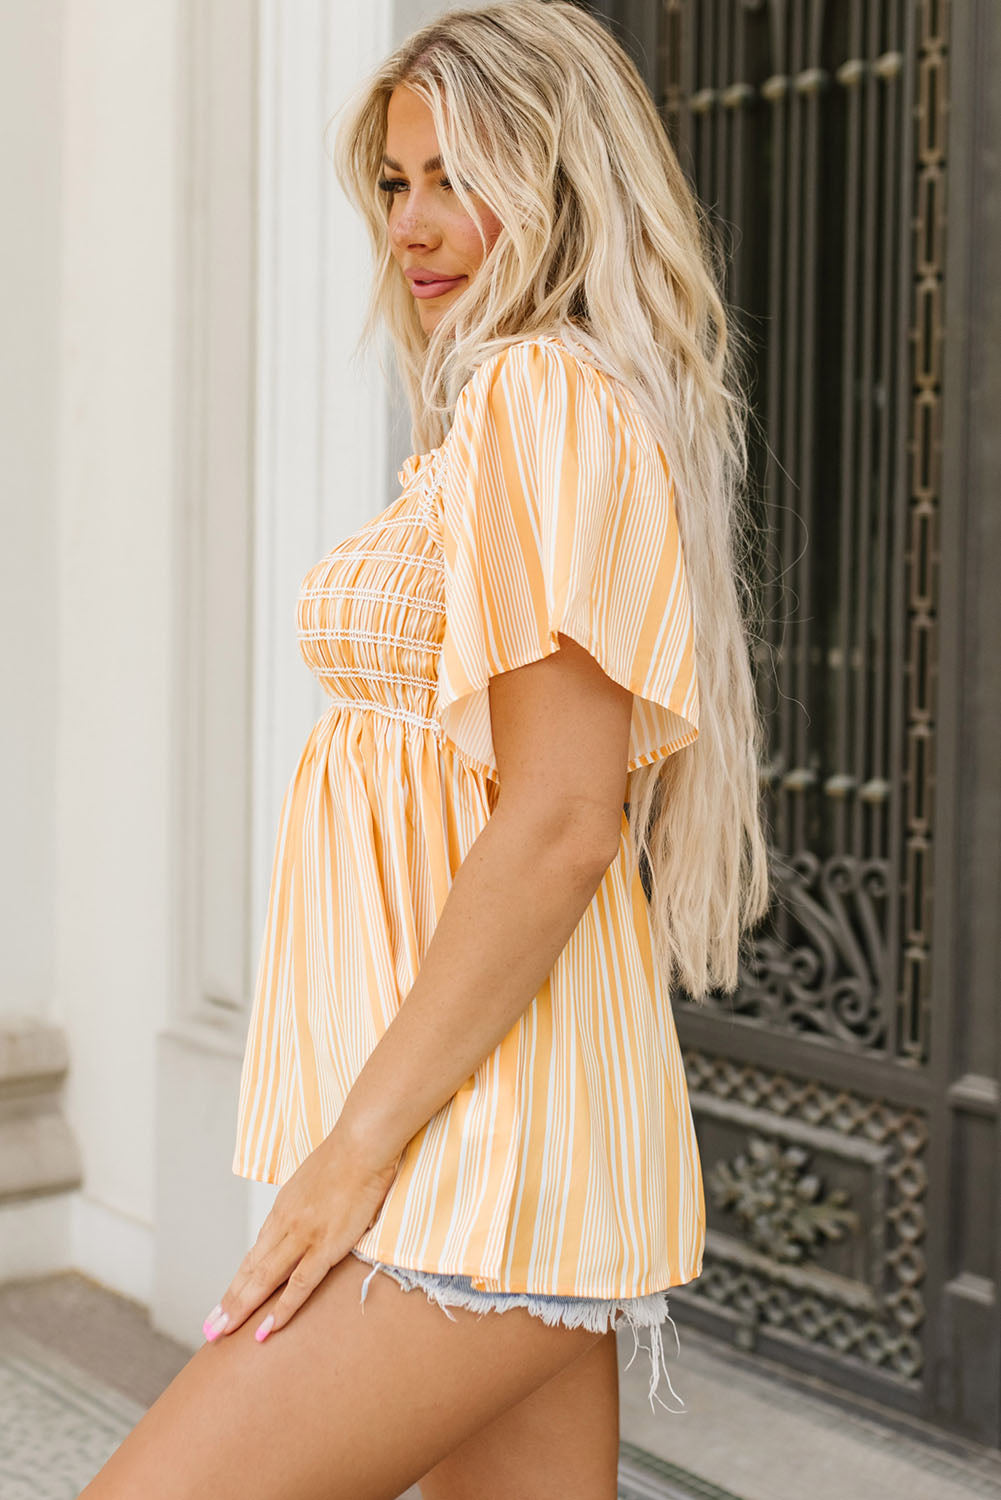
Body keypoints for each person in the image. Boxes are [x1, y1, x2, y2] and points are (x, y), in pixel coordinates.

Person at [80, 3, 769, 1496]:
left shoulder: (542, 399)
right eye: (394, 183)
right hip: (480, 1119)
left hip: (475, 1149)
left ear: (564, 176)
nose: (414, 223)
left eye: (459, 175)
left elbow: (563, 818)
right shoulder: (508, 412)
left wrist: (350, 1157)